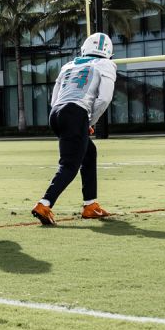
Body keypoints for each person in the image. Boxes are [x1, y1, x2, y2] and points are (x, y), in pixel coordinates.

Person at [31, 32, 117, 226]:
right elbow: (104, 98)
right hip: (76, 112)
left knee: (88, 153)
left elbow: (55, 97)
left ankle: (90, 204)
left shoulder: (69, 65)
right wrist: (89, 121)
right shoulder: (106, 65)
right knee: (69, 165)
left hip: (57, 113)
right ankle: (44, 204)